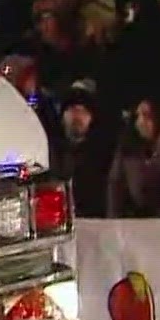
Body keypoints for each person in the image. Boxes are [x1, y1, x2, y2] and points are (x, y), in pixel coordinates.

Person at [48, 81, 114, 218]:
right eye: (72, 110)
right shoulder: (50, 151)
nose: (77, 116)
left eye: (83, 111)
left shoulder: (102, 156)